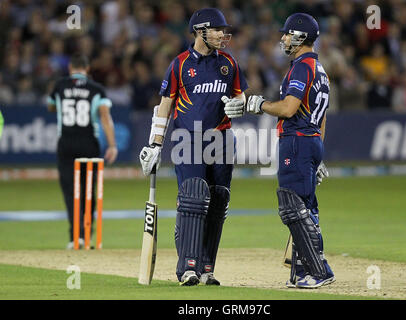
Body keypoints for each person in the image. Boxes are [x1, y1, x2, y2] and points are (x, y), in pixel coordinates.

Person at [139, 8, 248, 286]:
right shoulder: (179, 64)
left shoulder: (229, 64)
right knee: (193, 198)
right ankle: (187, 268)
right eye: (217, 30)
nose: (223, 35)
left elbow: (241, 96)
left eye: (225, 30)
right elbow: (165, 104)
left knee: (218, 199)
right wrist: (155, 144)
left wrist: (240, 105)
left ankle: (207, 267)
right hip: (188, 140)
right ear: (201, 31)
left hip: (222, 139)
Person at [243, 13, 335, 288]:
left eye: (287, 34)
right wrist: (317, 152)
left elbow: (288, 108)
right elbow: (322, 117)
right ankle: (303, 269)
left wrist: (259, 105)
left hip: (296, 141)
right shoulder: (320, 70)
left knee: (293, 208)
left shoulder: (302, 68)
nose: (283, 39)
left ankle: (319, 271)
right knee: (305, 207)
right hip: (310, 140)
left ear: (299, 37)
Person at [47, 54, 118, 249]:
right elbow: (105, 117)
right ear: (87, 69)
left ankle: (75, 237)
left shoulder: (60, 85)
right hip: (89, 143)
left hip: (66, 143)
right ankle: (86, 233)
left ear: (71, 68)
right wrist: (112, 145)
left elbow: (50, 105)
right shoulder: (96, 89)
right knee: (88, 191)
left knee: (71, 192)